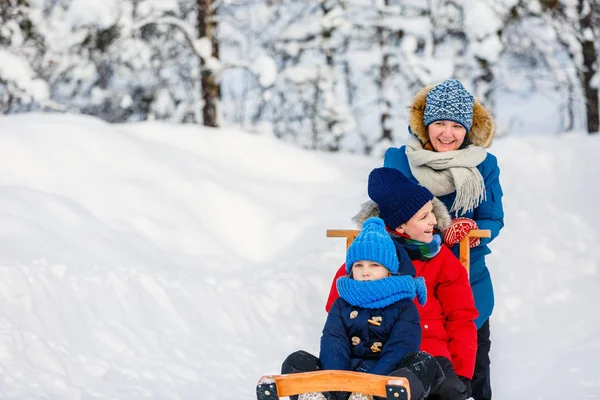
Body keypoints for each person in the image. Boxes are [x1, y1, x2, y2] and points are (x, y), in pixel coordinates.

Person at [383, 79, 504, 400]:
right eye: (439, 123)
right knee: (411, 361)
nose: (447, 133)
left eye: (456, 125)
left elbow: (494, 218)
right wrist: (436, 226)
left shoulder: (485, 164)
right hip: (414, 275)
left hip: (467, 275)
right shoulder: (399, 160)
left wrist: (470, 227)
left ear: (468, 129)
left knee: (474, 362)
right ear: (424, 125)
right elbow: (386, 215)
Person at [326, 167, 479, 400]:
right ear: (400, 227)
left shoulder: (442, 260)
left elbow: (461, 317)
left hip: (430, 353)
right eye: (424, 217)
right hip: (373, 353)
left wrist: (462, 374)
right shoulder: (370, 256)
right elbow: (337, 310)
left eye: (432, 213)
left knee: (445, 389)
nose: (434, 221)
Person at [282, 217, 444, 400]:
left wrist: (370, 386)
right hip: (341, 378)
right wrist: (339, 386)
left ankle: (370, 398)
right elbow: (333, 343)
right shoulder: (342, 304)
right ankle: (314, 395)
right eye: (359, 265)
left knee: (425, 364)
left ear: (388, 270)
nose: (365, 271)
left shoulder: (404, 307)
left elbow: (400, 347)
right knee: (296, 360)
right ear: (351, 270)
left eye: (374, 265)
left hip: (383, 382)